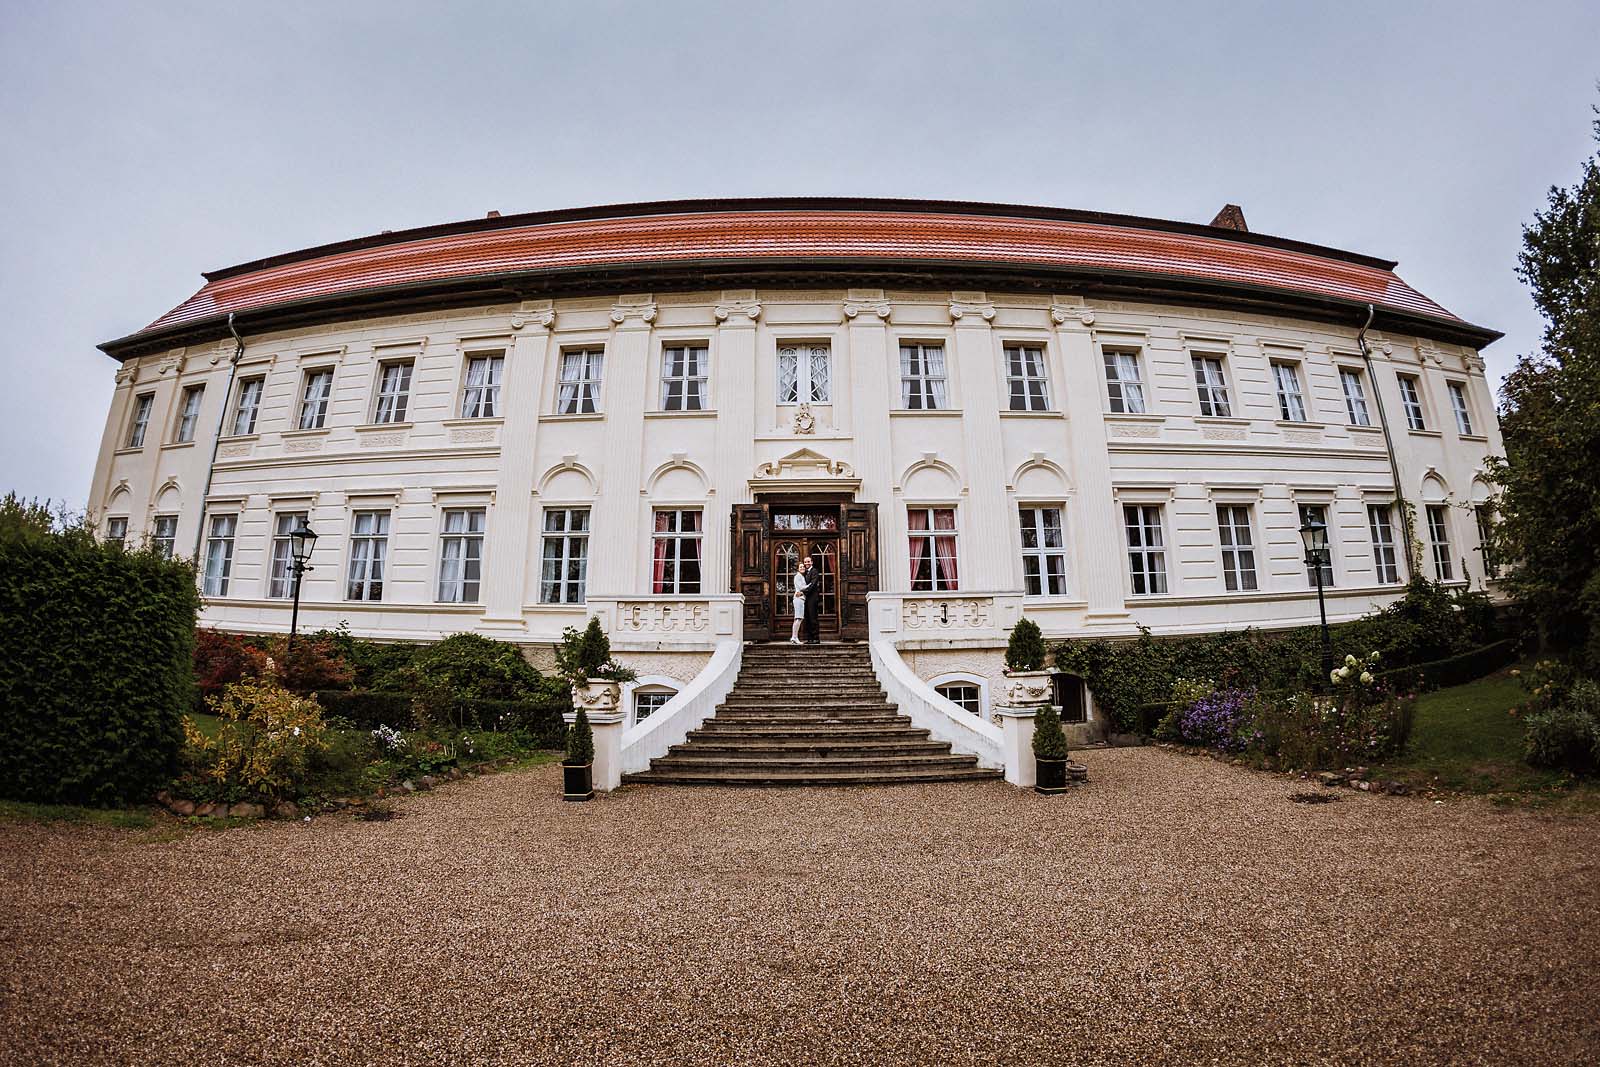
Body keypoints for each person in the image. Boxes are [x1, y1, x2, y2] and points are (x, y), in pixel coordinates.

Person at [801, 553, 823, 644]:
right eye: (805, 562)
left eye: (808, 562)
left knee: (813, 618)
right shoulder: (805, 573)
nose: (807, 563)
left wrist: (803, 592)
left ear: (812, 562)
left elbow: (813, 584)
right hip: (806, 598)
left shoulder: (814, 571)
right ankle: (809, 638)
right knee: (807, 618)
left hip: (812, 598)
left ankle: (816, 638)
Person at [789, 560, 809, 644]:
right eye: (800, 567)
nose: (802, 568)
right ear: (798, 569)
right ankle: (794, 637)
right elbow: (801, 587)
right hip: (798, 599)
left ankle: (794, 637)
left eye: (803, 567)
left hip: (800, 598)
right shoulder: (798, 576)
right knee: (798, 618)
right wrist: (810, 585)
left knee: (798, 618)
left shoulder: (801, 576)